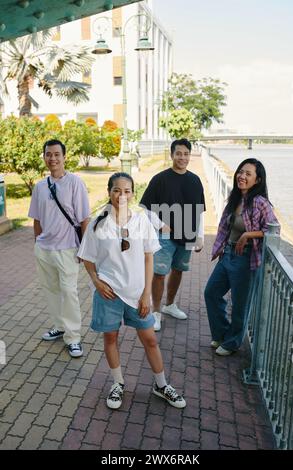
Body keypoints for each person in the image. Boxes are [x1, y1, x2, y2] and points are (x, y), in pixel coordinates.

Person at [78, 172, 186, 410]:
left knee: (150, 339)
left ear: (133, 194)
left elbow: (149, 259)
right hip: (109, 294)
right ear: (109, 192)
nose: (122, 195)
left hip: (137, 294)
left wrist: (147, 293)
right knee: (111, 338)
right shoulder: (98, 223)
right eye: (117, 190)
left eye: (127, 191)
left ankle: (161, 385)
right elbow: (86, 257)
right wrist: (96, 282)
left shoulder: (141, 222)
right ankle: (117, 383)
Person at [204, 158, 279, 356]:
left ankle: (232, 343)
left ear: (258, 180)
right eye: (240, 172)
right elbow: (225, 226)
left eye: (248, 174)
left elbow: (274, 230)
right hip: (228, 254)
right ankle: (222, 334)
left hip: (246, 259)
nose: (242, 176)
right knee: (211, 292)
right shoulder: (235, 198)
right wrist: (220, 247)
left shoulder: (260, 203)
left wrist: (248, 234)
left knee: (240, 305)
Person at [28, 139, 90, 358]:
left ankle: (73, 337)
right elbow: (36, 219)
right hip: (44, 249)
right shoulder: (39, 186)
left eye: (56, 154)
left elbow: (84, 219)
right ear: (44, 157)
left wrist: (84, 248)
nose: (52, 158)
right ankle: (60, 326)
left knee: (69, 292)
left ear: (64, 157)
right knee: (51, 291)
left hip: (67, 249)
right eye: (48, 154)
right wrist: (38, 243)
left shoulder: (75, 183)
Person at [140, 138, 206, 331]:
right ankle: (156, 312)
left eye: (186, 154)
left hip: (188, 236)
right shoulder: (160, 179)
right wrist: (160, 226)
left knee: (178, 270)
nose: (182, 157)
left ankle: (170, 305)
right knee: (159, 274)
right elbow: (146, 207)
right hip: (165, 237)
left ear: (189, 155)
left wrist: (200, 235)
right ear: (172, 155)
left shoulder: (195, 180)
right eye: (179, 153)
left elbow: (200, 211)